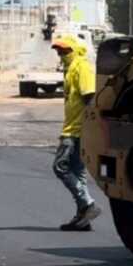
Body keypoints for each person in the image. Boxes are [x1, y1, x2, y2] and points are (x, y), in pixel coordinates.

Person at [51, 35, 101, 231]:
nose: (61, 54)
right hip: (73, 127)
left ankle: (88, 204)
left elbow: (90, 97)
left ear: (74, 50)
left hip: (77, 130)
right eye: (59, 51)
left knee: (60, 167)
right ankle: (83, 219)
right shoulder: (70, 68)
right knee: (78, 172)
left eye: (65, 51)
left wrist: (88, 128)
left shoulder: (81, 66)